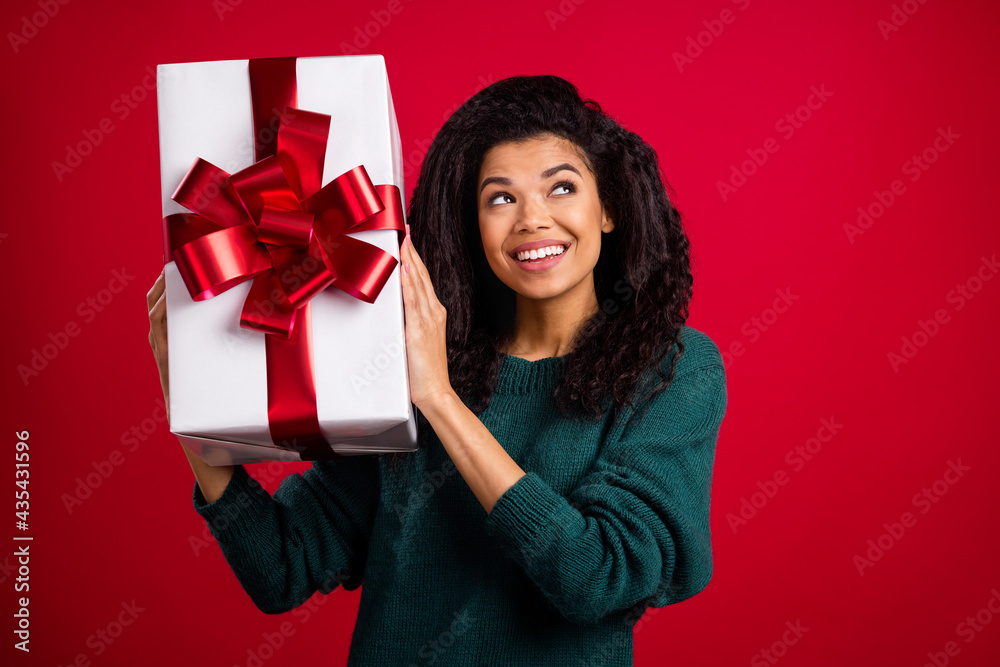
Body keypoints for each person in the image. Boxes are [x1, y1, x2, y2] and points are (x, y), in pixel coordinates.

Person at [146, 74, 727, 666]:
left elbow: (598, 577)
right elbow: (283, 568)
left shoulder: (673, 372)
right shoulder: (411, 356)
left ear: (608, 209)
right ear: (473, 227)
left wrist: (441, 401)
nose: (532, 218)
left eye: (561, 188)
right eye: (500, 198)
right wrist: (192, 406)